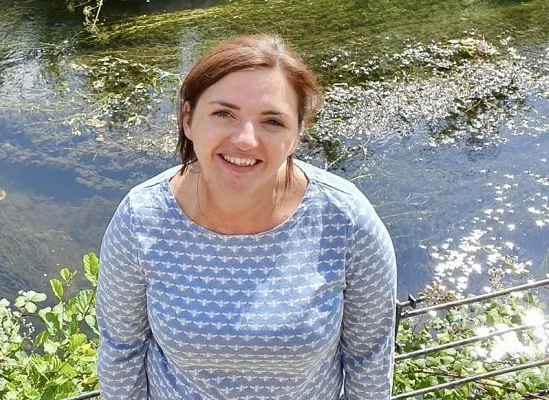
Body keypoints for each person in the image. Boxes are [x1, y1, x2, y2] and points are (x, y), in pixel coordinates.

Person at [95, 34, 397, 400]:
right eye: (224, 113)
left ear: (297, 133)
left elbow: (368, 363)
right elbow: (120, 353)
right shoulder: (140, 219)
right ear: (188, 119)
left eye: (273, 121)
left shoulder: (347, 221)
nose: (245, 140)